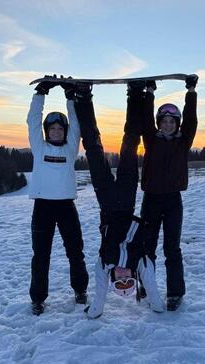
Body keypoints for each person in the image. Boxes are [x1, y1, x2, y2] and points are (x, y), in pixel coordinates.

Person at [72, 81, 165, 319]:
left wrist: (94, 313)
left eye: (119, 281)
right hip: (126, 197)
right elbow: (154, 295)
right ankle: (135, 95)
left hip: (106, 200)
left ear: (113, 278)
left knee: (93, 148)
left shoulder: (105, 264)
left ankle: (84, 98)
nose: (123, 277)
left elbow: (98, 300)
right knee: (129, 144)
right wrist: (156, 305)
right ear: (134, 277)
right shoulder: (140, 263)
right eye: (128, 281)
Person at [26, 76, 89, 316]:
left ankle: (80, 290)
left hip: (66, 207)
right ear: (46, 131)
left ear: (65, 132)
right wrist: (40, 93)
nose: (55, 132)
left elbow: (76, 123)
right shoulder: (39, 147)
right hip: (42, 208)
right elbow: (33, 121)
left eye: (60, 129)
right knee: (41, 255)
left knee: (75, 251)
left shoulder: (70, 148)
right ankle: (38, 299)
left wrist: (70, 97)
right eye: (52, 129)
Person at [140, 74, 198, 311]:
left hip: (173, 200)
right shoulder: (150, 140)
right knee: (147, 247)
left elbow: (192, 119)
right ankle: (147, 286)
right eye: (163, 121)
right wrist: (149, 93)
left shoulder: (183, 142)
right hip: (151, 200)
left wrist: (191, 91)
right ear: (158, 123)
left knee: (172, 248)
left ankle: (175, 293)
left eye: (172, 121)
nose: (167, 125)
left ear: (177, 123)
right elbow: (145, 119)